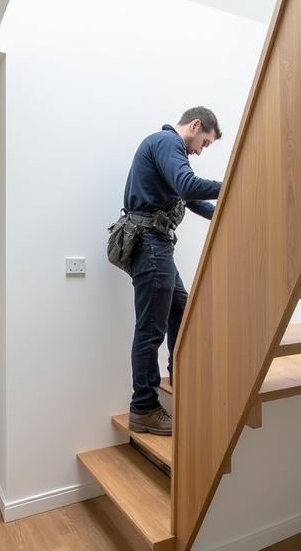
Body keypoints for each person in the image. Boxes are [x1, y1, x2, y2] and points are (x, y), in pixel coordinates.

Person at [122, 106, 223, 436]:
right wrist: (234, 184)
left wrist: (225, 213)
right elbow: (189, 186)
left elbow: (189, 199)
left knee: (180, 308)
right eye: (204, 142)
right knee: (150, 330)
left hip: (155, 245)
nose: (200, 151)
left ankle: (180, 376)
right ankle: (144, 409)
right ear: (195, 125)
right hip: (151, 244)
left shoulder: (165, 147)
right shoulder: (167, 142)